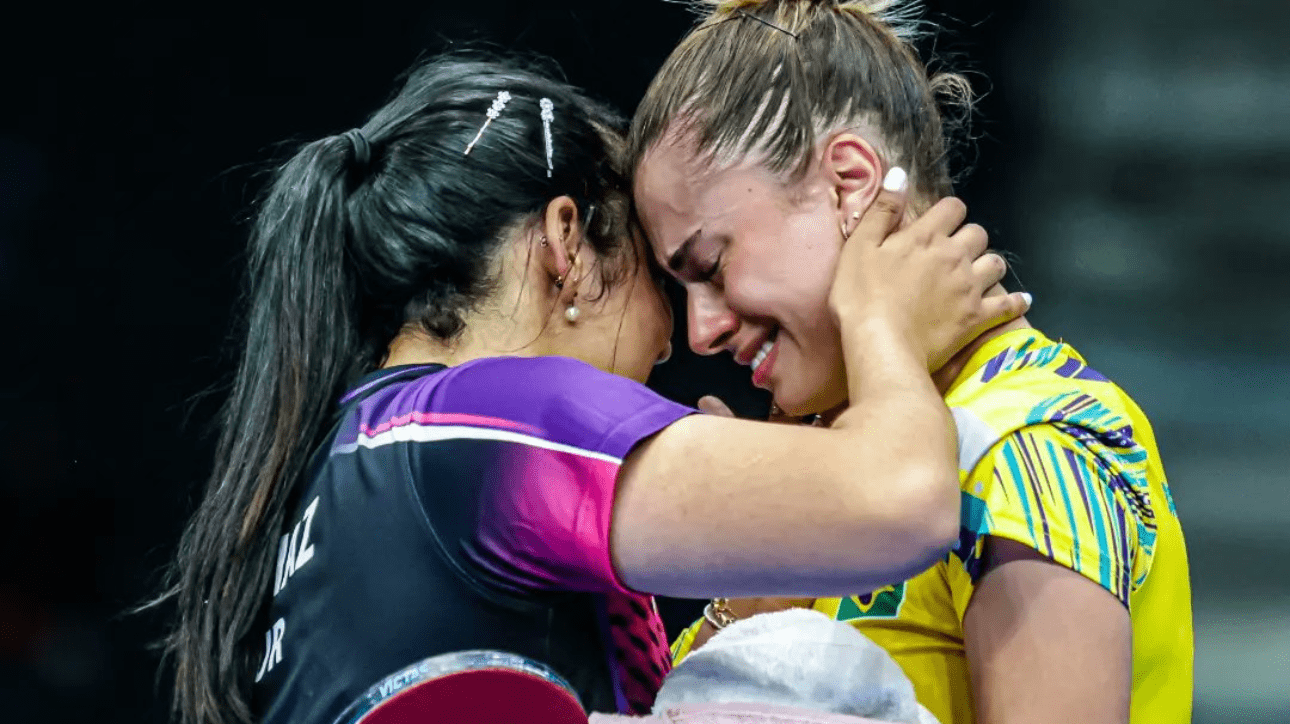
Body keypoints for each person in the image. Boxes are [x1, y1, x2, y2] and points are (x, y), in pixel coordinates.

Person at [147, 52, 1028, 724]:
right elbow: (904, 506)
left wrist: (745, 598)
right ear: (567, 244)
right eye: (661, 272)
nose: (685, 340)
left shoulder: (337, 484)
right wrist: (882, 319)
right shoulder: (485, 422)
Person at [628, 2, 1193, 723]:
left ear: (850, 183)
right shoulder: (826, 458)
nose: (700, 331)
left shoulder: (1026, 445)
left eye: (711, 264)